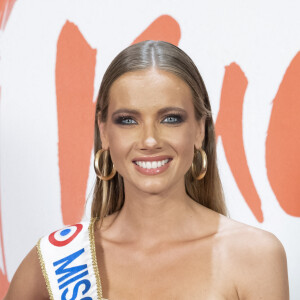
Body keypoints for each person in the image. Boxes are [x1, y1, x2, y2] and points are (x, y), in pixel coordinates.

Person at [5, 40, 289, 299]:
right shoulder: (55, 260)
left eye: (171, 119)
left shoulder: (256, 256)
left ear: (200, 130)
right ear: (104, 132)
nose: (150, 140)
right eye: (128, 120)